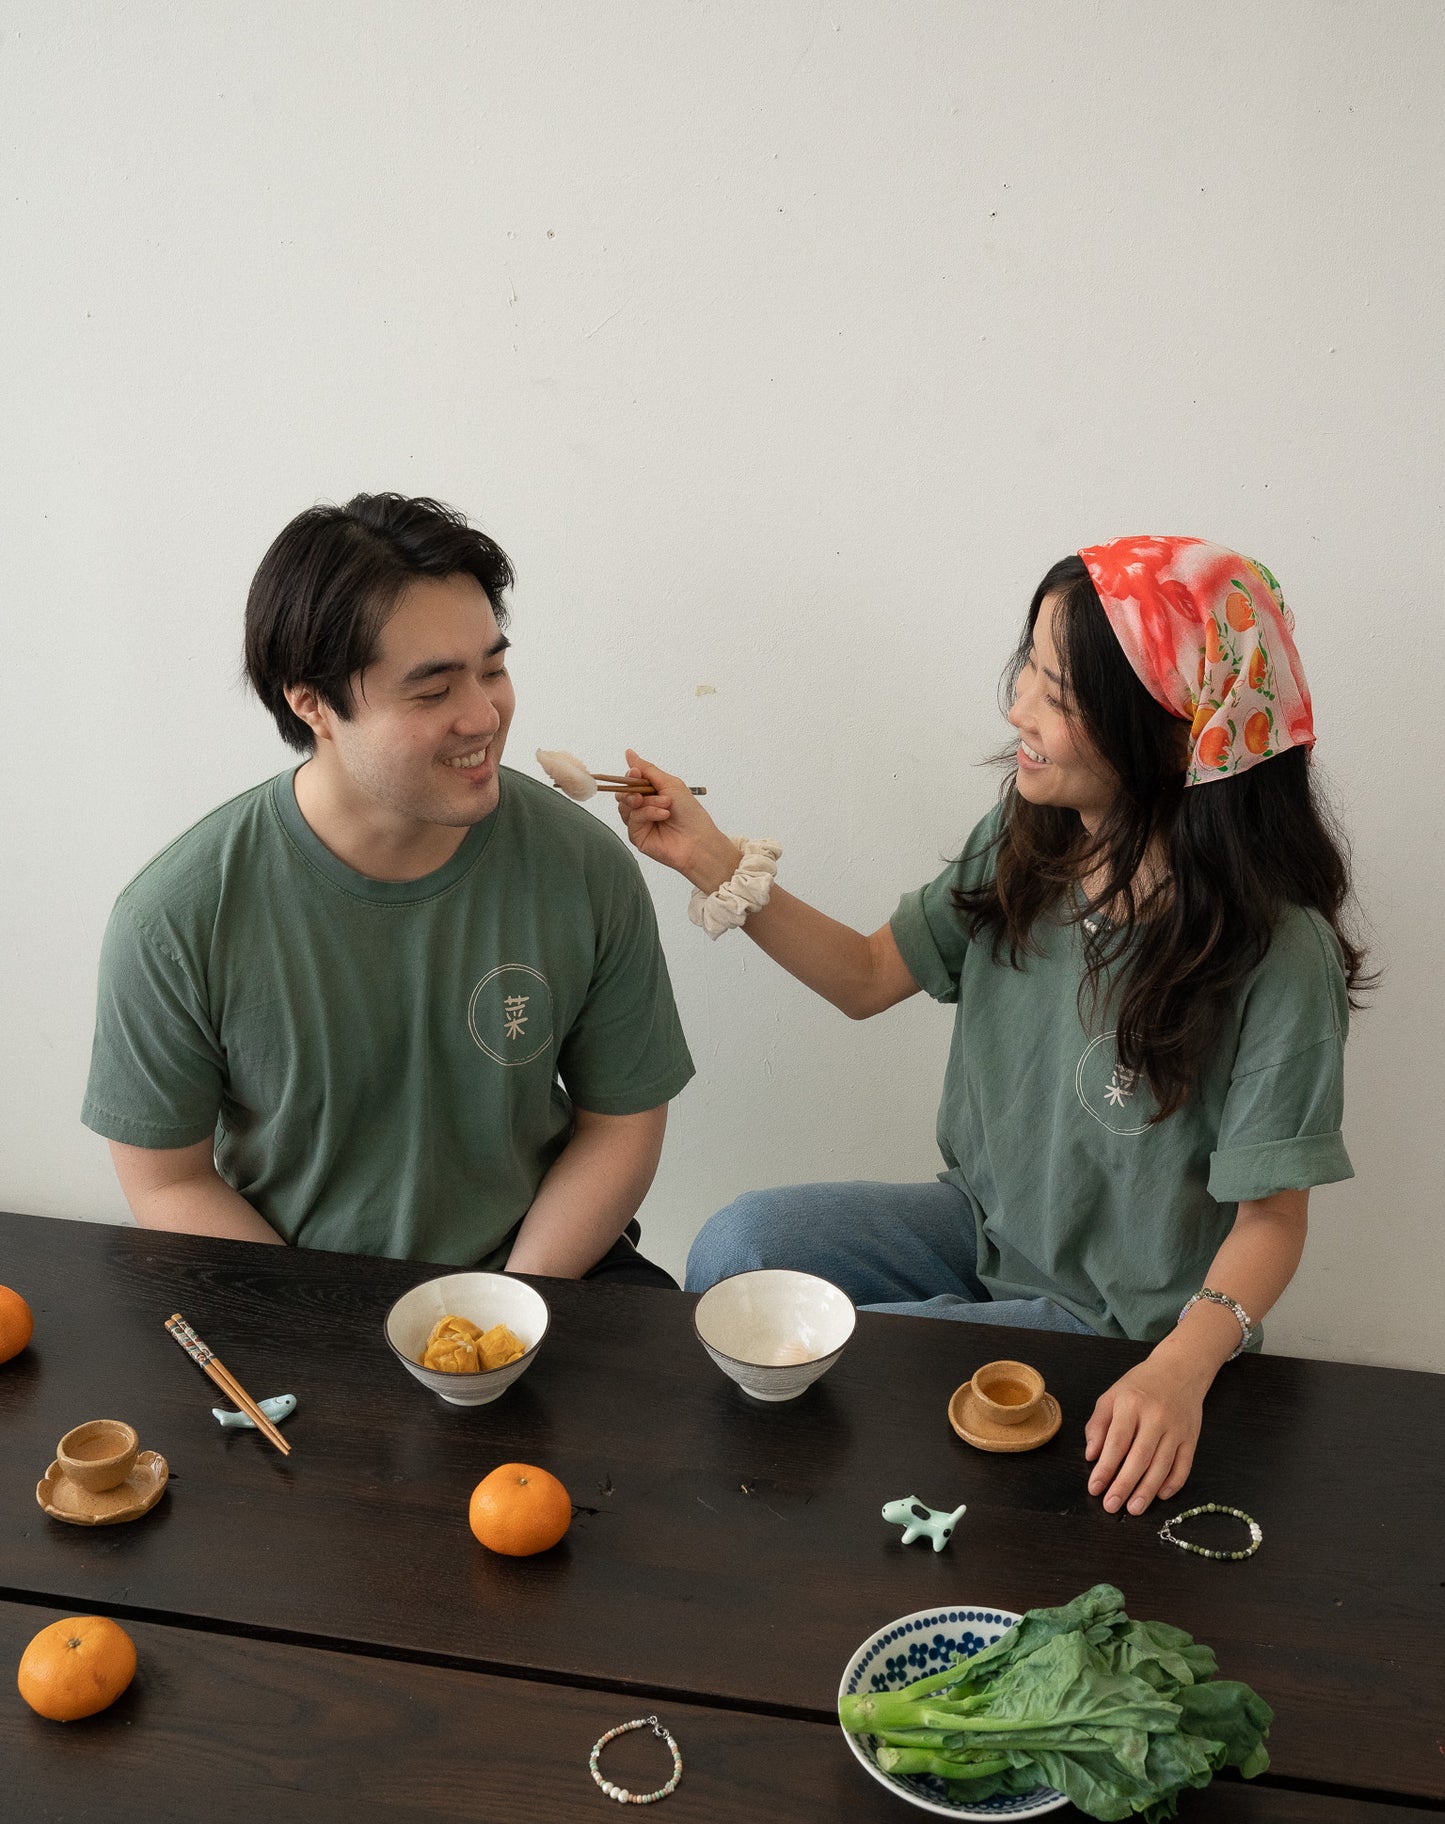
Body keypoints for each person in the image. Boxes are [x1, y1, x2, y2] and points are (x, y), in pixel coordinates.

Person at [617, 536, 1366, 1509]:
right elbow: (866, 973)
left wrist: (1181, 1365)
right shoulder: (1025, 843)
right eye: (1028, 672)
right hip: (982, 1226)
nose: (1016, 709)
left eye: (1056, 693)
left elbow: (1271, 1218)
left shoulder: (1276, 952)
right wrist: (710, 859)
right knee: (735, 1252)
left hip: (1123, 1318)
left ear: (1170, 732)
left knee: (849, 1362)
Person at [82, 493, 693, 1284]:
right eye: (433, 690)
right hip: (296, 1290)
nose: (483, 715)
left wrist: (501, 1313)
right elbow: (169, 1180)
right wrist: (333, 1333)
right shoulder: (174, 915)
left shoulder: (582, 863)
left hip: (543, 1273)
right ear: (312, 702)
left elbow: (621, 1124)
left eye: (494, 669)